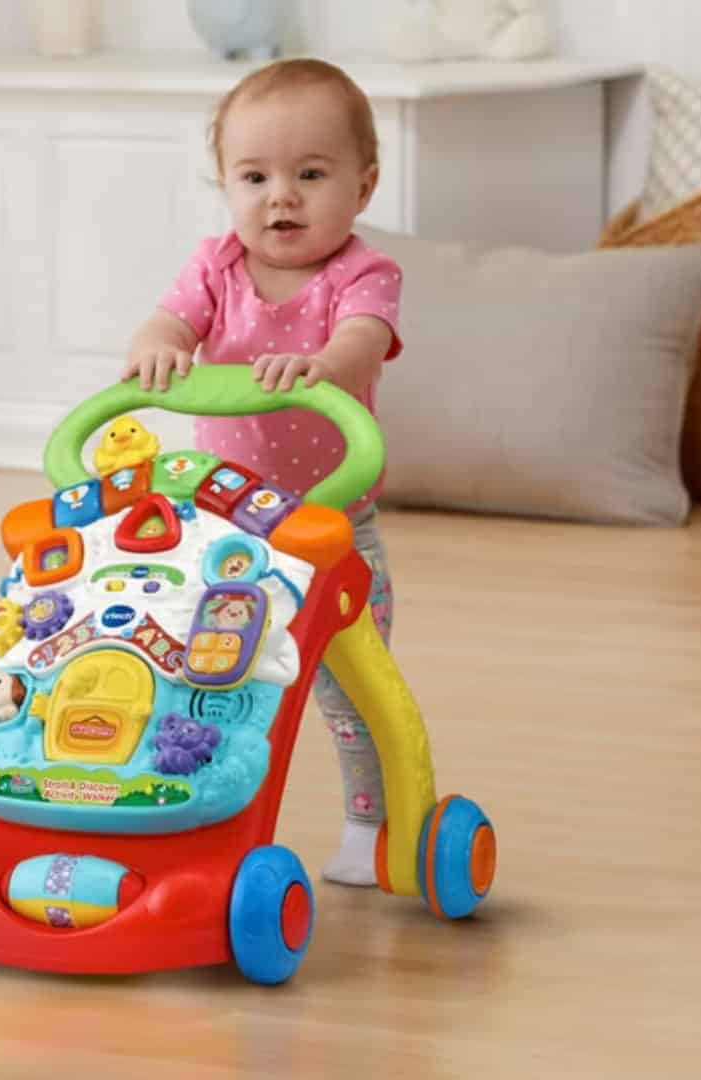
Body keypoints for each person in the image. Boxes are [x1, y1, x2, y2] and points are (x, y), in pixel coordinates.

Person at [121, 58, 404, 886]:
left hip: (330, 523)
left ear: (364, 185)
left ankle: (371, 826)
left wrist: (320, 361)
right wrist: (159, 344)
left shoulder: (363, 275)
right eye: (255, 176)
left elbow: (362, 343)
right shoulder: (215, 268)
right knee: (202, 674)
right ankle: (189, 811)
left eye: (310, 174)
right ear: (227, 184)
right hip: (223, 526)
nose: (281, 196)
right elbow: (170, 318)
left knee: (352, 689)